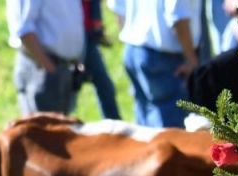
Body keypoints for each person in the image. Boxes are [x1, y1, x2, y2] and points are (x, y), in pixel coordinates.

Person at [107, 0, 199, 128]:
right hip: (163, 56)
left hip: (134, 49)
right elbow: (178, 14)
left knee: (144, 127)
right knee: (169, 133)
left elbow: (118, 7)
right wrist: (191, 60)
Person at [8, 0, 82, 115]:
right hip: (41, 69)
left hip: (63, 68)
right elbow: (24, 29)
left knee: (61, 128)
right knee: (41, 128)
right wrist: (49, 68)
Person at [78, 0, 118, 117]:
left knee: (105, 86)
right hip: (73, 35)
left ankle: (114, 127)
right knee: (66, 90)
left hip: (88, 35)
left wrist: (97, 28)